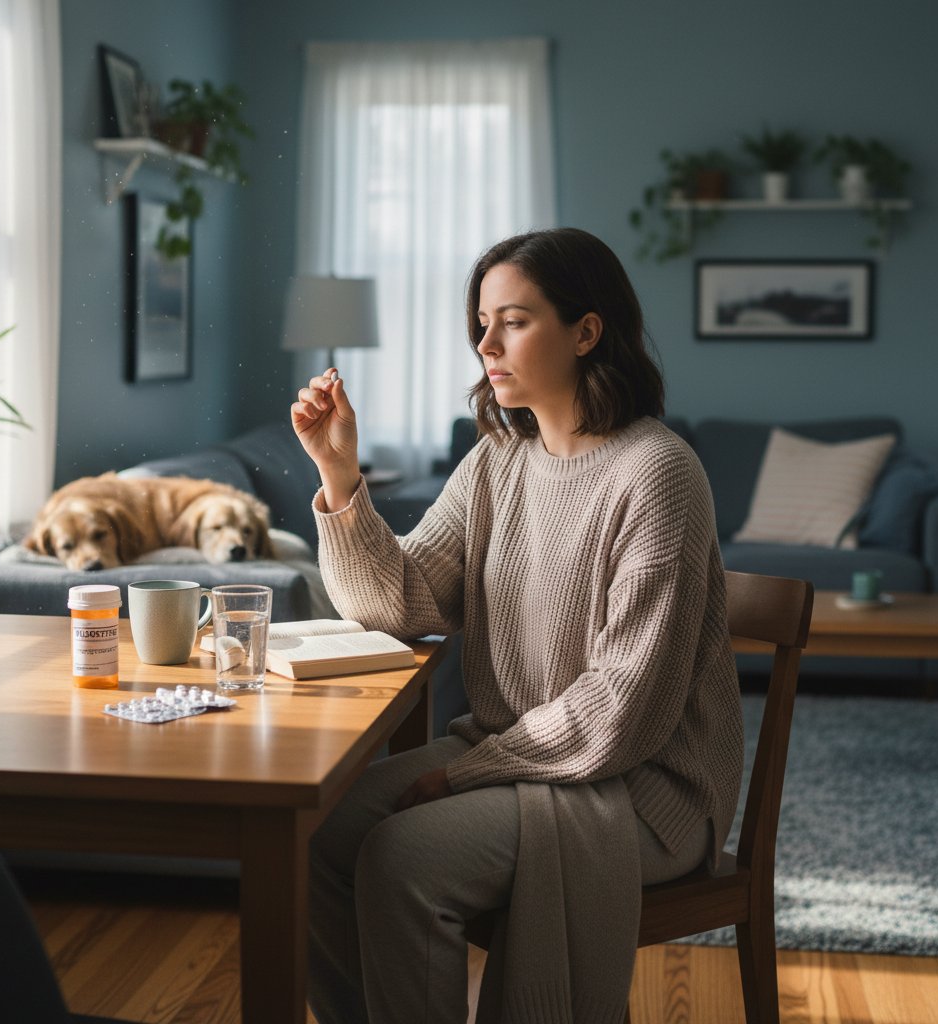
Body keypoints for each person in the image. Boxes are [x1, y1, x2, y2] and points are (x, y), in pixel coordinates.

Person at [291, 227, 743, 1024]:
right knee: (319, 835)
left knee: (401, 858)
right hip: (512, 754)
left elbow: (624, 706)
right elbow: (398, 601)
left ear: (586, 331)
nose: (484, 342)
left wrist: (463, 775)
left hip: (641, 791)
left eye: (514, 320)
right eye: (481, 320)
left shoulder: (659, 474)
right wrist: (339, 473)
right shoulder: (500, 458)